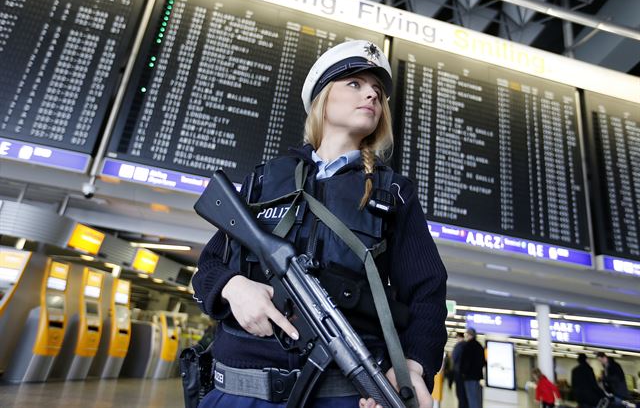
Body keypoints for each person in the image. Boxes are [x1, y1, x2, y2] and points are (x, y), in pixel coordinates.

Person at [192, 39, 448, 408]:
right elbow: (208, 268)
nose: (372, 96)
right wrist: (233, 287)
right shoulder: (265, 179)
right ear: (323, 100)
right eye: (355, 85)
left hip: (341, 394)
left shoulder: (393, 192)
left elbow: (427, 290)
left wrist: (413, 366)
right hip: (237, 392)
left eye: (378, 91)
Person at [459, 328, 485, 408]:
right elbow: (483, 362)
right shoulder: (479, 346)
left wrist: (463, 373)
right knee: (477, 398)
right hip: (477, 377)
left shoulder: (468, 346)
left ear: (469, 335)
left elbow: (466, 362)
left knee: (472, 398)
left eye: (466, 334)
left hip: (469, 377)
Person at [451, 332, 468, 408]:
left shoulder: (458, 346)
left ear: (458, 337)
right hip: (467, 374)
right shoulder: (468, 345)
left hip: (458, 372)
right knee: (465, 393)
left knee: (460, 393)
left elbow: (454, 357)